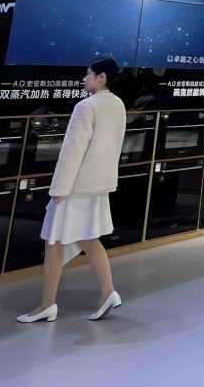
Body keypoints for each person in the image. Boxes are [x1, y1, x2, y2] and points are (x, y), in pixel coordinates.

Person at [17, 58, 125, 323]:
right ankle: (107, 291)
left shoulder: (86, 106)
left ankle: (47, 305)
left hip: (76, 185)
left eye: (88, 74)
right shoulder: (117, 104)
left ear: (101, 77)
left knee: (54, 241)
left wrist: (60, 188)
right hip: (98, 184)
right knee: (88, 238)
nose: (84, 78)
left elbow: (72, 151)